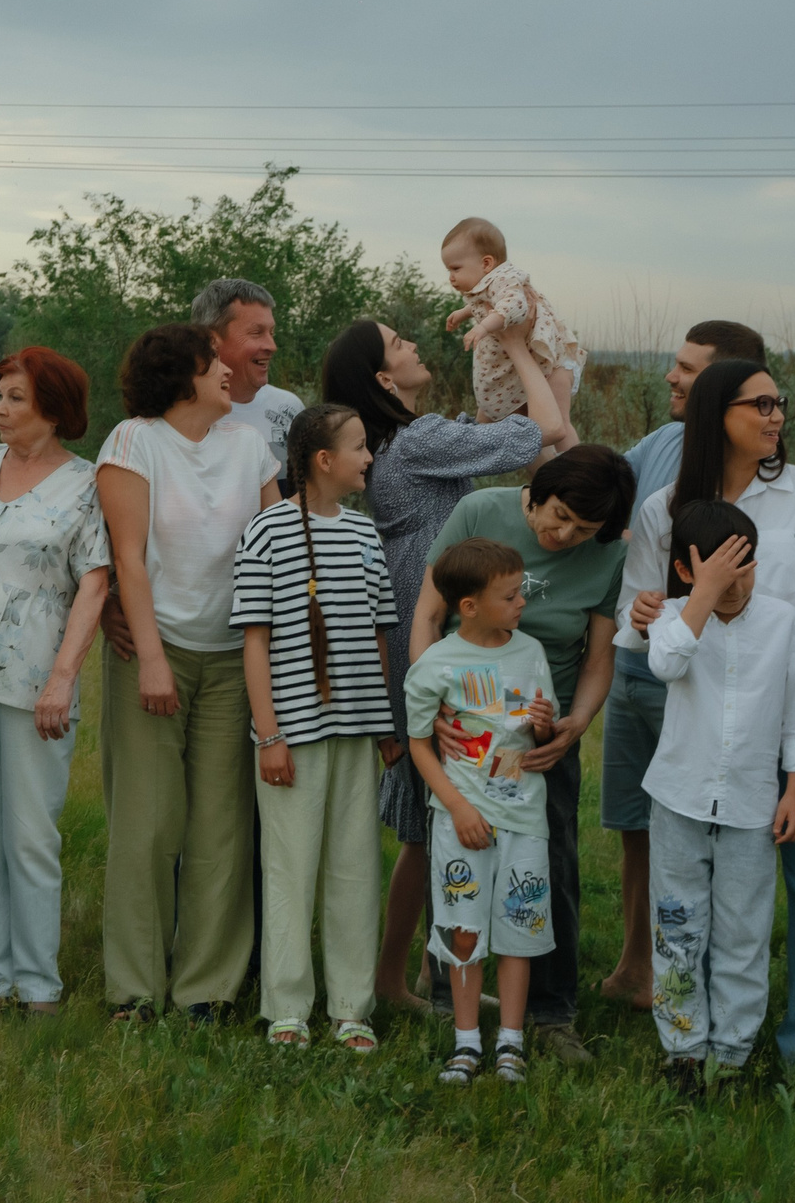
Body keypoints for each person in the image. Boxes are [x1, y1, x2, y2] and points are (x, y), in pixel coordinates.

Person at [619, 358, 795, 1066]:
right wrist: (646, 614)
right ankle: (691, 1043)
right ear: (715, 414)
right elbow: (635, 619)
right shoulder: (665, 510)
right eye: (760, 403)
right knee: (700, 905)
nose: (776, 415)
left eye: (779, 402)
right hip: (702, 743)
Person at [318, 318, 570, 1017]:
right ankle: (394, 978)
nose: (413, 346)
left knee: (426, 813)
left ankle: (429, 968)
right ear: (382, 377)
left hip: (412, 615)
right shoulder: (420, 440)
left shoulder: (401, 443)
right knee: (425, 823)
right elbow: (545, 429)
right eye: (398, 343)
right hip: (427, 628)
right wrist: (518, 345)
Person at [407, 444, 636, 1062]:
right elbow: (429, 615)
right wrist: (435, 713)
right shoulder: (482, 510)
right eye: (557, 515)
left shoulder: (610, 553)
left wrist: (576, 723)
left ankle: (551, 1013)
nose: (564, 535)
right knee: (457, 855)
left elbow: (598, 655)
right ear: (536, 492)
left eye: (583, 529)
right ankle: (445, 995)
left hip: (540, 736)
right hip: (463, 722)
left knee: (550, 864)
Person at [95, 323, 282, 1024]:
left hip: (237, 659)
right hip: (157, 649)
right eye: (214, 363)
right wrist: (149, 659)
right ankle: (135, 990)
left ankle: (206, 988)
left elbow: (273, 550)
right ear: (183, 375)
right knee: (147, 823)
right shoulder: (133, 442)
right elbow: (129, 557)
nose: (229, 371)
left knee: (221, 827)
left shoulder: (250, 446)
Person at [596, 319, 767, 1013]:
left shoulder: (762, 482)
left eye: (688, 371)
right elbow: (609, 490)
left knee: (694, 829)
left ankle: (703, 980)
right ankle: (638, 962)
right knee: (637, 824)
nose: (671, 377)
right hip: (632, 674)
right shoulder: (663, 448)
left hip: (691, 682)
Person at [0, 347, 111, 1026]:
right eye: (1, 396)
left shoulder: (86, 483)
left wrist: (63, 679)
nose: (1, 409)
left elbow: (96, 580)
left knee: (31, 835)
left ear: (53, 408)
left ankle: (40, 987)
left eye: (15, 398)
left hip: (38, 676)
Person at [232, 404, 401, 1052]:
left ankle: (353, 1007)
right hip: (292, 738)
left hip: (358, 732)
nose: (369, 457)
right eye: (360, 446)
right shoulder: (267, 532)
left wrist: (385, 721)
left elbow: (381, 636)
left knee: (355, 867)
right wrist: (268, 735)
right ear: (324, 460)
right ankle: (287, 1007)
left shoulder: (363, 535)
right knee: (290, 866)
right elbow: (255, 642)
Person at [643, 500, 795, 1092]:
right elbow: (666, 663)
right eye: (721, 571)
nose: (736, 584)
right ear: (687, 572)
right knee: (676, 925)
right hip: (678, 801)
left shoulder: (783, 623)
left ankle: (732, 1056)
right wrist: (701, 597)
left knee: (744, 931)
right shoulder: (672, 618)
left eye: (745, 568)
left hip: (751, 807)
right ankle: (683, 1049)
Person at [405, 537, 558, 1086]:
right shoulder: (436, 664)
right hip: (460, 824)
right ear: (469, 607)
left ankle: (510, 1043)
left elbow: (540, 732)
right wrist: (456, 806)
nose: (522, 603)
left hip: (524, 822)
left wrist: (544, 723)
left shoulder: (531, 651)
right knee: (463, 929)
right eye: (511, 595)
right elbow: (419, 742)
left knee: (520, 926)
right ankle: (466, 1042)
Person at [439, 217, 586, 463]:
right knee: (529, 428)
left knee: (561, 425)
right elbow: (483, 304)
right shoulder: (487, 285)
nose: (451, 277)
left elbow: (513, 305)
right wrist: (464, 313)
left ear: (486, 263)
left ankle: (583, 469)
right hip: (540, 363)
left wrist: (482, 327)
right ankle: (558, 476)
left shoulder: (504, 279)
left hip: (555, 362)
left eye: (455, 269)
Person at [195, 278, 304, 477]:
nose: (272, 346)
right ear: (211, 341)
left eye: (272, 333)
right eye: (257, 333)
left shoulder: (289, 407)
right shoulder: (184, 417)